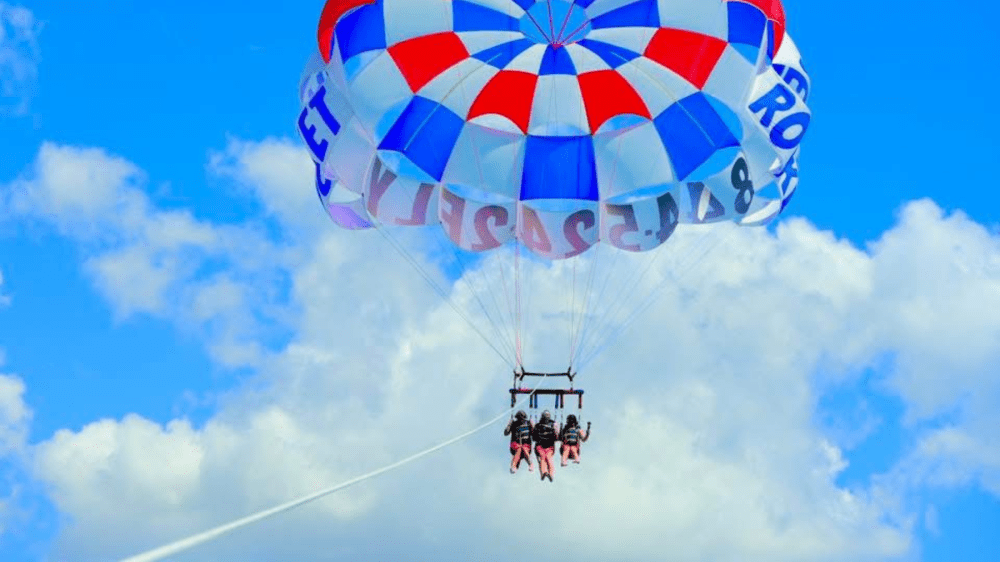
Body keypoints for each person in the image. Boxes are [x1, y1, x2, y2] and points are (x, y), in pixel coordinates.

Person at [532, 410, 559, 481]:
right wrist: (533, 428)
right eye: (545, 417)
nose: (546, 418)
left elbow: (557, 437)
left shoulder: (553, 424)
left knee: (549, 459)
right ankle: (544, 472)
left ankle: (550, 474)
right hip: (540, 446)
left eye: (547, 417)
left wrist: (556, 429)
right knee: (543, 458)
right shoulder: (538, 425)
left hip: (549, 446)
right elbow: (534, 438)